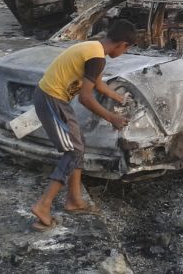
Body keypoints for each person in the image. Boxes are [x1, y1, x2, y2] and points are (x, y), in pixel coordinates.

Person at [30, 19, 136, 231]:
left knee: (78, 145)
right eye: (127, 49)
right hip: (51, 99)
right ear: (122, 44)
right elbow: (85, 98)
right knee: (73, 151)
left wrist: (119, 97)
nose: (124, 53)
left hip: (55, 99)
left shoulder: (94, 48)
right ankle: (44, 204)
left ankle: (74, 200)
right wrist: (111, 117)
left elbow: (97, 84)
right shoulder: (97, 58)